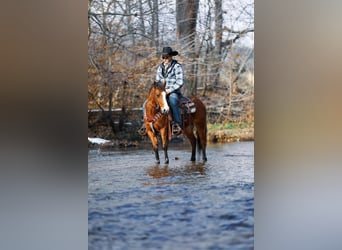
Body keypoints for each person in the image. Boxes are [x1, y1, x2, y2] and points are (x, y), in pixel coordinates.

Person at [138, 46, 184, 136]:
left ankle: (177, 124)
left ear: (171, 56)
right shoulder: (160, 68)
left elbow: (180, 81)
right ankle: (145, 123)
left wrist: (169, 90)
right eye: (164, 57)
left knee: (173, 100)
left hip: (173, 91)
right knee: (145, 104)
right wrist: (159, 91)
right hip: (161, 92)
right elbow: (157, 82)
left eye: (167, 57)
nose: (165, 59)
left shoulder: (177, 66)